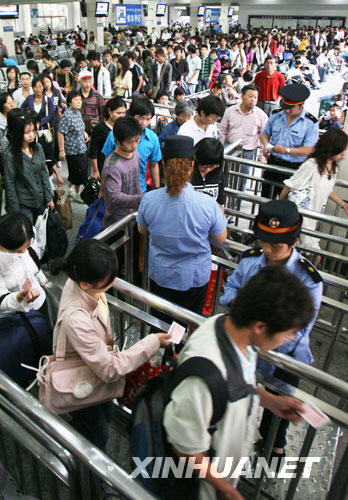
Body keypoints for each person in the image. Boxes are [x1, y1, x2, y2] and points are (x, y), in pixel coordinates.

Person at [164, 266, 314, 500]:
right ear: (260, 326)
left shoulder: (229, 330)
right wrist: (225, 489)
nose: (290, 340)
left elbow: (235, 386)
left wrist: (272, 402)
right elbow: (186, 449)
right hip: (201, 488)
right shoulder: (201, 379)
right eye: (288, 334)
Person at [220, 200, 322, 462]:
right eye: (263, 241)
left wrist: (268, 334)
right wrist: (238, 304)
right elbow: (231, 288)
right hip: (247, 345)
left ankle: (274, 442)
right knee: (241, 390)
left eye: (275, 245)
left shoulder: (308, 279)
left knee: (280, 404)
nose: (267, 249)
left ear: (294, 242)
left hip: (285, 356)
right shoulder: (251, 261)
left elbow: (300, 330)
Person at [50, 238, 171, 450]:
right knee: (96, 433)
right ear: (86, 284)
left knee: (102, 419)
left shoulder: (80, 280)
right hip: (82, 382)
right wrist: (152, 342)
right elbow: (109, 368)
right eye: (108, 282)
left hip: (94, 369)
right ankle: (84, 470)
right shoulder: (77, 319)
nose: (113, 284)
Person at [137, 135, 227, 323]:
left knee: (161, 323)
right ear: (192, 165)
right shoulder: (207, 204)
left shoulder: (149, 200)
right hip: (194, 277)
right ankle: (180, 350)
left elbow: (142, 230)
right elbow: (220, 238)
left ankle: (164, 350)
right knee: (188, 323)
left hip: (161, 274)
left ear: (163, 161)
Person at [0, 213, 52, 387]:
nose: (24, 253)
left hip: (39, 303)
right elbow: (1, 301)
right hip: (15, 317)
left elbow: (34, 266)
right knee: (22, 353)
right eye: (17, 251)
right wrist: (18, 298)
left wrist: (43, 281)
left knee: (45, 342)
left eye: (27, 246)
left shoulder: (27, 242)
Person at [280, 129, 348, 257]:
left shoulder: (334, 169)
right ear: (332, 147)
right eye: (341, 149)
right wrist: (279, 208)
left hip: (313, 218)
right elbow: (289, 186)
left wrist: (342, 204)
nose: (343, 153)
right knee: (314, 255)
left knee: (307, 255)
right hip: (301, 218)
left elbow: (327, 191)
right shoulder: (312, 165)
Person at [260, 83, 319, 199]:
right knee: (266, 200)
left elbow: (309, 149)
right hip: (273, 164)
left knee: (287, 205)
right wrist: (267, 146)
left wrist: (287, 150)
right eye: (284, 107)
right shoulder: (276, 115)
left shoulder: (310, 123)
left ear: (301, 105)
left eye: (290, 108)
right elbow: (265, 133)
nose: (286, 111)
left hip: (293, 169)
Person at [3, 109, 54, 223]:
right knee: (27, 234)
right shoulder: (10, 156)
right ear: (17, 132)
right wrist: (15, 212)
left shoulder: (38, 148)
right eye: (27, 132)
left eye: (33, 131)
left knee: (42, 232)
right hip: (23, 204)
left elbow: (43, 174)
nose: (31, 135)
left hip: (40, 200)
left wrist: (49, 197)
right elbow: (10, 186)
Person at [101, 96, 161, 193]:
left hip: (140, 191)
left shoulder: (152, 138)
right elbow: (106, 162)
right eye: (140, 118)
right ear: (131, 115)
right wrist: (102, 189)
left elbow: (154, 165)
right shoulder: (114, 135)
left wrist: (157, 190)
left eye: (148, 119)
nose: (144, 123)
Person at [219, 84, 268, 195]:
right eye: (250, 96)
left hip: (248, 152)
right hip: (230, 149)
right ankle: (225, 202)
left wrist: (261, 154)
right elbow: (222, 130)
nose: (253, 100)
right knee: (226, 177)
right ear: (242, 97)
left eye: (255, 97)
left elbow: (264, 135)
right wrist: (221, 149)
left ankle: (236, 205)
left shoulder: (260, 114)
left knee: (242, 180)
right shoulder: (230, 111)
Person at [102, 116, 143, 228]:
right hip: (117, 223)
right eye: (130, 142)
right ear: (117, 139)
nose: (134, 145)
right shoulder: (113, 166)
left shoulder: (135, 155)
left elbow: (136, 182)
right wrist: (142, 198)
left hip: (133, 216)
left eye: (137, 140)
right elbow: (114, 197)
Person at [58, 90, 88, 201]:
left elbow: (80, 126)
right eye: (76, 100)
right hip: (72, 150)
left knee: (75, 172)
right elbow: (61, 132)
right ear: (70, 102)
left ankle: (68, 191)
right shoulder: (67, 115)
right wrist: (61, 150)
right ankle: (76, 194)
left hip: (81, 148)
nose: (79, 102)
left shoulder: (78, 112)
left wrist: (84, 133)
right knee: (78, 173)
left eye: (80, 100)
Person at [89, 97, 126, 178]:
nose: (122, 116)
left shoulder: (124, 128)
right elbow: (93, 151)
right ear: (110, 111)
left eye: (124, 113)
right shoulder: (99, 129)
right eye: (119, 113)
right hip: (102, 166)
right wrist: (96, 170)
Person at [191, 137, 226, 211]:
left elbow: (220, 203)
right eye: (204, 166)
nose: (207, 170)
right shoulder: (187, 174)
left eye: (212, 166)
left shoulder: (219, 175)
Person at [78, 69, 105, 135]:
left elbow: (102, 113)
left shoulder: (97, 95)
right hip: (79, 128)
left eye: (90, 82)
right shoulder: (76, 95)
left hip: (94, 128)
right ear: (80, 82)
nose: (88, 85)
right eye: (85, 82)